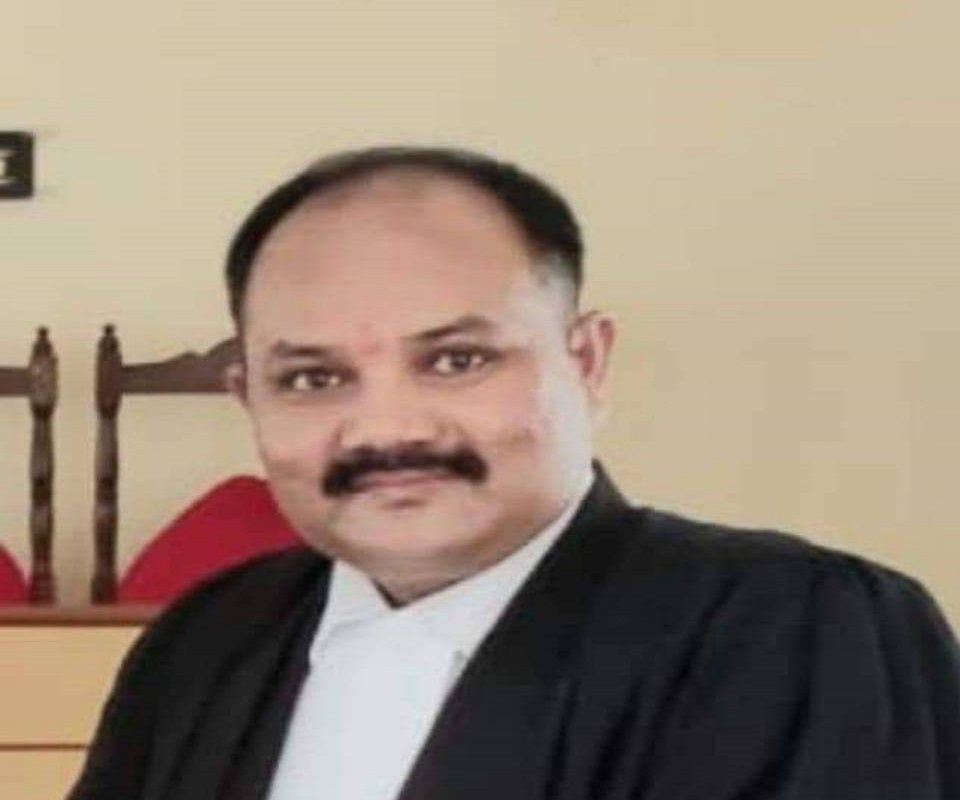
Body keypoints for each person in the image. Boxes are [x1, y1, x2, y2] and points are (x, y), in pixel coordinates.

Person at [68, 147, 960, 800]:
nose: (388, 429)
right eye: (313, 379)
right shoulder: (211, 639)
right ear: (248, 398)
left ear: (587, 361)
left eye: (456, 361)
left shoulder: (792, 628)